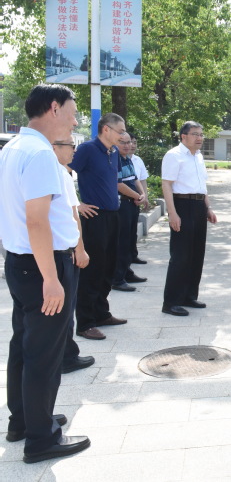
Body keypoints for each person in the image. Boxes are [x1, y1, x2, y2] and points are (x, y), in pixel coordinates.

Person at [0, 84, 91, 463]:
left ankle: (23, 420)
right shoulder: (39, 154)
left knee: (24, 345)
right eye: (72, 112)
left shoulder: (13, 148)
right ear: (54, 108)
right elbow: (37, 221)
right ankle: (41, 439)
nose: (75, 120)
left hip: (21, 262)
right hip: (43, 266)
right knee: (44, 354)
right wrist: (51, 279)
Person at [70, 112, 129, 340]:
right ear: (106, 129)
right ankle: (85, 323)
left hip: (113, 216)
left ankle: (101, 314)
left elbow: (114, 182)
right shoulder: (87, 149)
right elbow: (64, 172)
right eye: (120, 131)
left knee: (108, 267)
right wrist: (77, 204)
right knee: (91, 270)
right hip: (94, 217)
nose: (123, 136)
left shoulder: (113, 152)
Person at [161, 121, 218, 316]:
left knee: (196, 254)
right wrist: (172, 213)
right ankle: (171, 302)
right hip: (182, 206)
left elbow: (202, 186)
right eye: (195, 134)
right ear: (183, 136)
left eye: (201, 134)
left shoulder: (198, 156)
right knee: (181, 255)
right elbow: (167, 185)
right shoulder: (174, 155)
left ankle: (189, 296)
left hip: (199, 206)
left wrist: (208, 208)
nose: (199, 138)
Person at [53, 137, 95, 375]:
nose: (74, 151)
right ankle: (65, 358)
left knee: (63, 311)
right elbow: (72, 215)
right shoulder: (58, 173)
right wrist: (80, 249)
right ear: (55, 147)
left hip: (60, 250)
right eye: (71, 146)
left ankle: (66, 354)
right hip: (59, 253)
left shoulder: (62, 172)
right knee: (63, 311)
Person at [110, 132, 147, 292]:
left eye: (129, 142)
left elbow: (135, 179)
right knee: (122, 242)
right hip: (122, 204)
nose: (127, 145)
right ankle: (117, 279)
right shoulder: (115, 158)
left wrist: (142, 194)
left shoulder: (127, 159)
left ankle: (126, 272)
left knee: (131, 240)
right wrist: (137, 196)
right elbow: (119, 185)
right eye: (123, 142)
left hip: (132, 203)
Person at [129, 133, 149, 264]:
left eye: (135, 142)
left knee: (133, 230)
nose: (132, 145)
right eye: (129, 142)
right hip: (125, 200)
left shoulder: (138, 160)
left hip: (137, 201)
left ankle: (133, 255)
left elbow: (142, 180)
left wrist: (145, 197)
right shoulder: (118, 159)